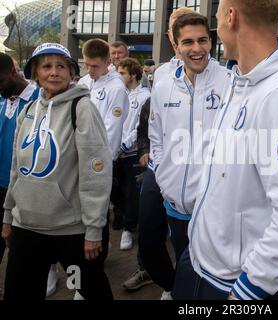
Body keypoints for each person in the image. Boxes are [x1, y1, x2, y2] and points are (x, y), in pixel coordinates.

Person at [172, 0, 278, 300]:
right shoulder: (242, 80)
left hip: (234, 284)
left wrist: (249, 289)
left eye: (216, 16)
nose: (216, 26)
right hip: (202, 262)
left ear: (231, 16)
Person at [1, 43, 113, 300]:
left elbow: (95, 173)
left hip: (71, 233)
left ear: (71, 72)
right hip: (26, 228)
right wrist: (8, 216)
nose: (54, 72)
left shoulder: (82, 108)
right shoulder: (28, 111)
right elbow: (16, 168)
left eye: (61, 66)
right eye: (46, 66)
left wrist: (94, 230)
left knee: (92, 291)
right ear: (35, 73)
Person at [149, 11, 229, 289]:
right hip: (175, 207)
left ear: (211, 41)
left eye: (202, 40)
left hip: (214, 210)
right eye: (188, 42)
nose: (197, 49)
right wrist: (162, 177)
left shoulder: (231, 83)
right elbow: (156, 139)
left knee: (211, 283)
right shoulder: (162, 86)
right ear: (176, 46)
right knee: (186, 269)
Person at [124, 7, 196, 300]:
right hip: (158, 168)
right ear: (170, 35)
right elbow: (149, 117)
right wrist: (145, 150)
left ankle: (183, 287)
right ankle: (167, 282)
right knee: (151, 236)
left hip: (194, 171)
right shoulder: (163, 73)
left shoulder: (216, 74)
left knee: (186, 238)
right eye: (176, 27)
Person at [78, 38, 129, 233]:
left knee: (99, 208)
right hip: (79, 154)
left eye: (95, 66)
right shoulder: (84, 82)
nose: (90, 70)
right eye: (87, 65)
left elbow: (112, 128)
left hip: (98, 159)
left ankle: (99, 248)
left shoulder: (116, 88)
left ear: (108, 62)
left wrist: (102, 160)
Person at [0, 53, 40, 266]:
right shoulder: (2, 98)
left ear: (13, 72)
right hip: (1, 182)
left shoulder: (40, 98)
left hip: (27, 185)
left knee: (27, 245)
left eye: (0, 81)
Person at [116, 58, 150, 250]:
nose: (119, 76)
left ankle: (128, 229)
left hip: (131, 152)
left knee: (131, 193)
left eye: (122, 73)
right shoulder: (120, 94)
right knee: (117, 191)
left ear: (134, 75)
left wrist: (123, 145)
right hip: (115, 151)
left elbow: (140, 127)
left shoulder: (144, 96)